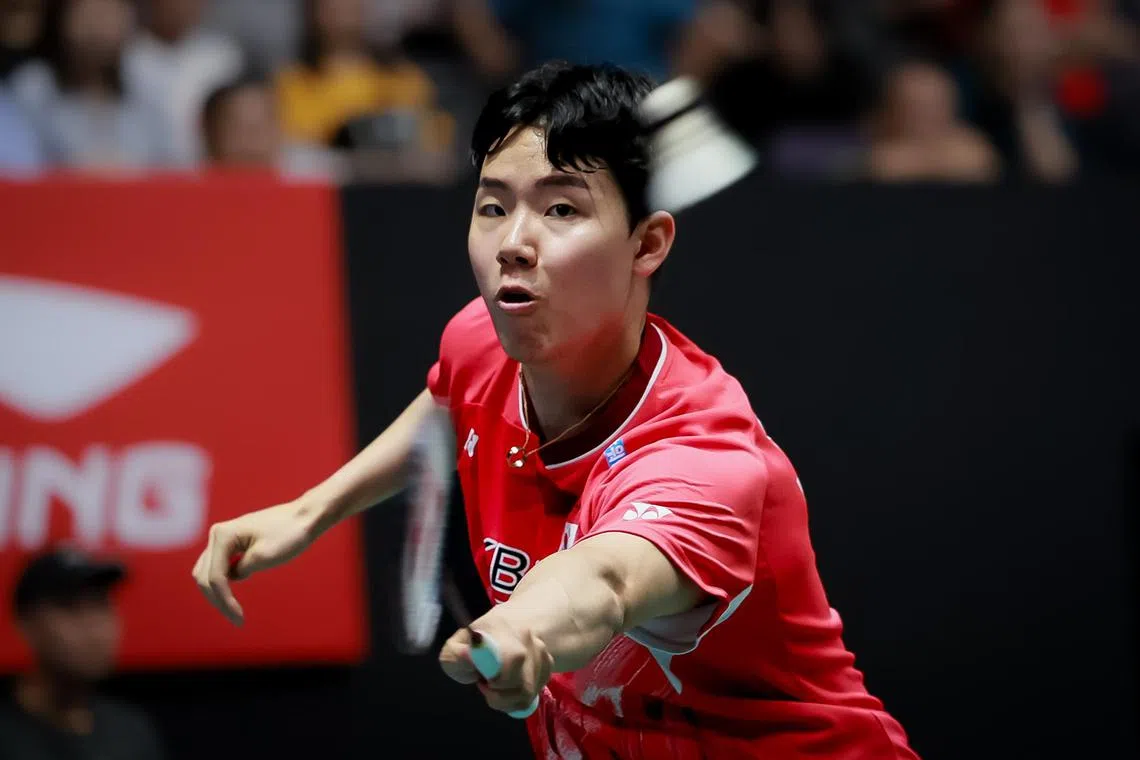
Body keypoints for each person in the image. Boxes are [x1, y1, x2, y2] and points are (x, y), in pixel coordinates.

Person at [192, 61, 920, 759]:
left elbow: (603, 583)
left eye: (561, 208)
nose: (513, 244)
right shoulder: (485, 339)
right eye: (493, 206)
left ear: (649, 243)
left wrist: (521, 626)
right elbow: (448, 400)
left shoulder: (706, 461)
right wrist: (310, 510)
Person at [1, 547, 167, 759]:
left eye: (101, 605)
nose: (93, 629)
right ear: (26, 623)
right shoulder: (7, 738)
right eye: (70, 608)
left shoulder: (131, 733)